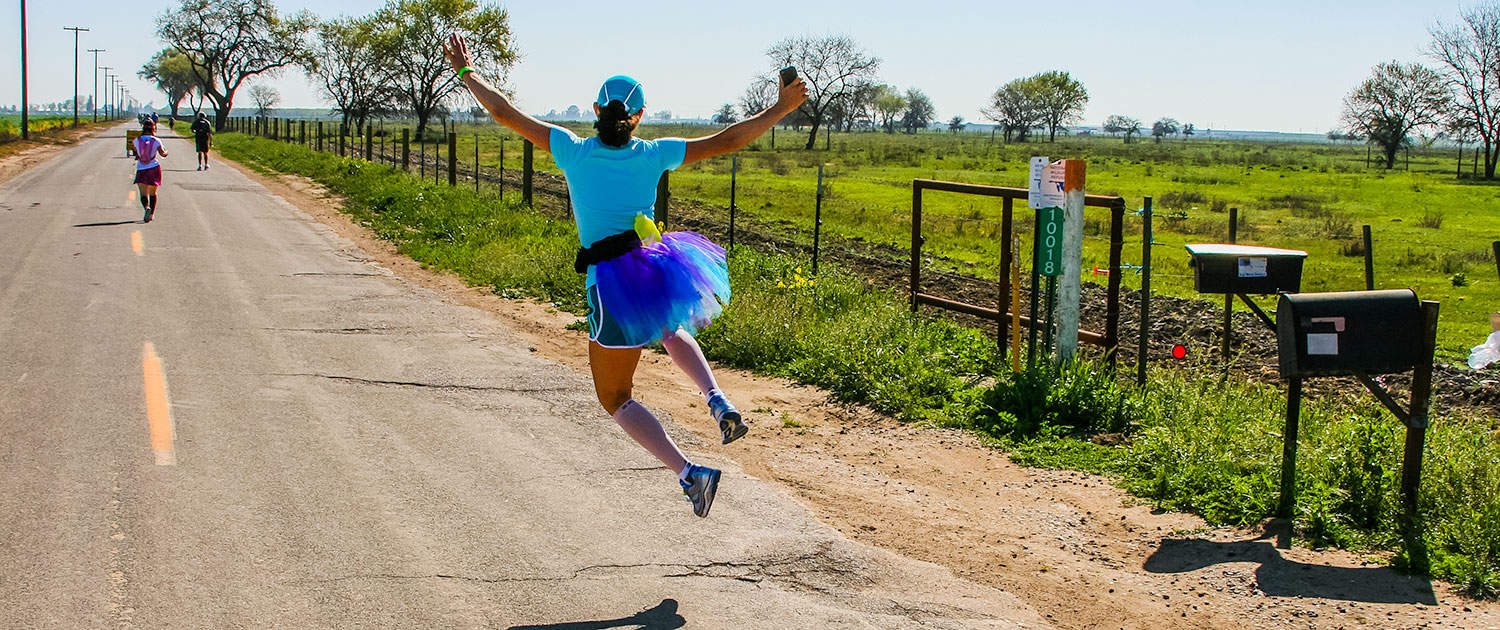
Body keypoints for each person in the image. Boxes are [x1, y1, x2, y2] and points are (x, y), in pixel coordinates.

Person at [445, 34, 807, 518]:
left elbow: (506, 113)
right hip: (656, 265)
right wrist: (780, 108)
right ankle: (717, 399)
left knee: (615, 396)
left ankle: (690, 474)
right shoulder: (654, 153)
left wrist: (468, 73)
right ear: (639, 116)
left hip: (610, 283)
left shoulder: (571, 150)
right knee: (669, 328)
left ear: (596, 109)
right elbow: (729, 139)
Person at [133, 120, 167, 222]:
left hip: (141, 168)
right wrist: (166, 153)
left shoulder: (137, 140)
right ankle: (151, 214)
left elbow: (136, 154)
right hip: (154, 168)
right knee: (153, 193)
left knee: (143, 193)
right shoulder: (156, 141)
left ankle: (146, 207)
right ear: (153, 128)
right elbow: (162, 154)